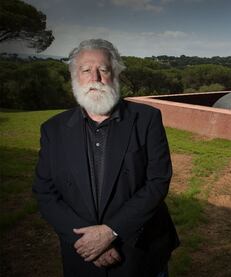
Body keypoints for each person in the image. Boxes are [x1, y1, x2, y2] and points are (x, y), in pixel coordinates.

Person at [32, 38, 179, 277]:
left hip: (140, 252)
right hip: (83, 254)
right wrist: (87, 241)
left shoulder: (147, 119)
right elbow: (45, 191)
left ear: (116, 75)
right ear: (74, 77)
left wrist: (111, 232)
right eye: (86, 70)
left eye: (103, 69)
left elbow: (158, 181)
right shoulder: (53, 129)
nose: (95, 79)